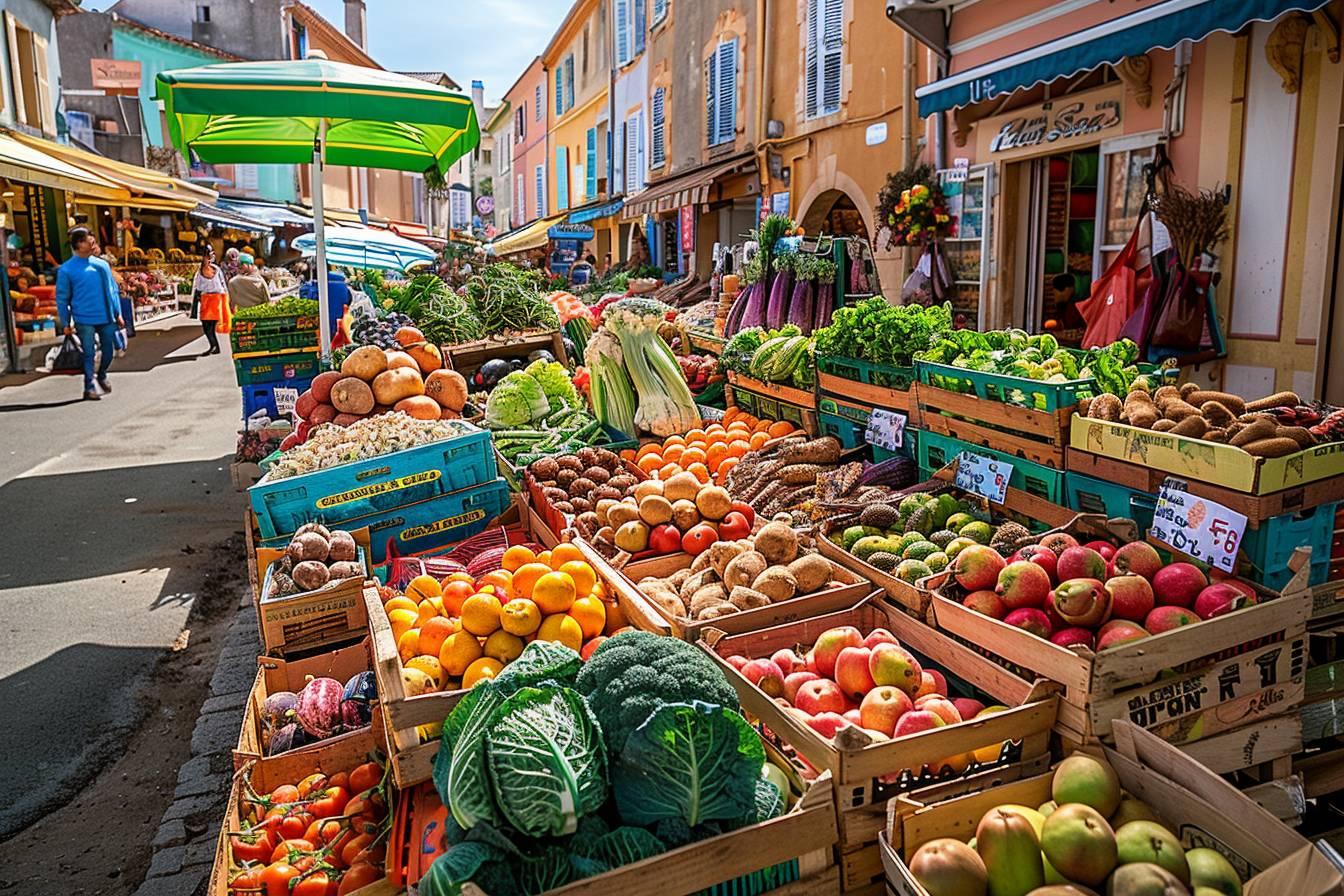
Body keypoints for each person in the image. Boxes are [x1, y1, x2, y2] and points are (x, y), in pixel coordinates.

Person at [56, 227, 123, 401]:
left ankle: (101, 374)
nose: (92, 242)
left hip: (106, 316)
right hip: (83, 318)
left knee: (108, 351)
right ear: (79, 244)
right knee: (88, 353)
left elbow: (112, 290)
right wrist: (65, 323)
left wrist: (118, 313)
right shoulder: (66, 270)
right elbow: (62, 299)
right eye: (88, 240)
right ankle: (89, 386)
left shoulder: (101, 265)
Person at [192, 246, 229, 355]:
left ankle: (214, 346)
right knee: (208, 326)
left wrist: (226, 298)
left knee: (208, 326)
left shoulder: (214, 269)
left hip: (213, 300)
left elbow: (222, 283)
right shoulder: (205, 271)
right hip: (208, 300)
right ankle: (215, 347)